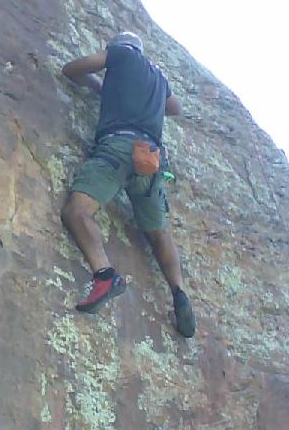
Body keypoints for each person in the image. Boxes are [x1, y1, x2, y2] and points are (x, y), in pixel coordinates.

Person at [60, 31, 196, 338]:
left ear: (120, 47)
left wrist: (101, 85)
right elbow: (174, 108)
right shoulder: (158, 77)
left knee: (77, 211)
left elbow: (73, 68)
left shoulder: (122, 55)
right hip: (150, 159)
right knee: (158, 232)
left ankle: (105, 275)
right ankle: (179, 293)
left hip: (118, 147)